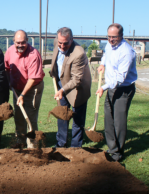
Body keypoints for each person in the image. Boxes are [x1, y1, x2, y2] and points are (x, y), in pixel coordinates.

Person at [96, 23, 137, 161]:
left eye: (114, 37)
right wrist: (102, 63)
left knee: (119, 122)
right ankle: (112, 148)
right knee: (109, 119)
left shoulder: (127, 52)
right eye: (109, 36)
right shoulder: (109, 45)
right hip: (111, 87)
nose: (111, 40)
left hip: (123, 89)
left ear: (121, 36)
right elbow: (106, 55)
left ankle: (118, 153)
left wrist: (103, 87)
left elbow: (120, 78)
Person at [50, 27, 91, 148]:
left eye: (66, 43)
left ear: (72, 39)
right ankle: (61, 144)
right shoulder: (57, 42)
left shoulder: (79, 53)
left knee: (77, 120)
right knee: (62, 116)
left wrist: (62, 90)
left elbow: (76, 79)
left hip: (77, 89)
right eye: (60, 43)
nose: (62, 46)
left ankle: (75, 148)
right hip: (61, 85)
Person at [5, 30, 45, 148]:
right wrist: (9, 82)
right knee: (18, 115)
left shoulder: (34, 54)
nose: (20, 45)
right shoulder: (10, 51)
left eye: (23, 42)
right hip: (17, 88)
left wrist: (22, 95)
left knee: (30, 116)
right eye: (18, 43)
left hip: (33, 88)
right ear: (14, 42)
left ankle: (32, 145)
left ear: (27, 41)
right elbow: (7, 68)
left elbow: (32, 79)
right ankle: (20, 141)